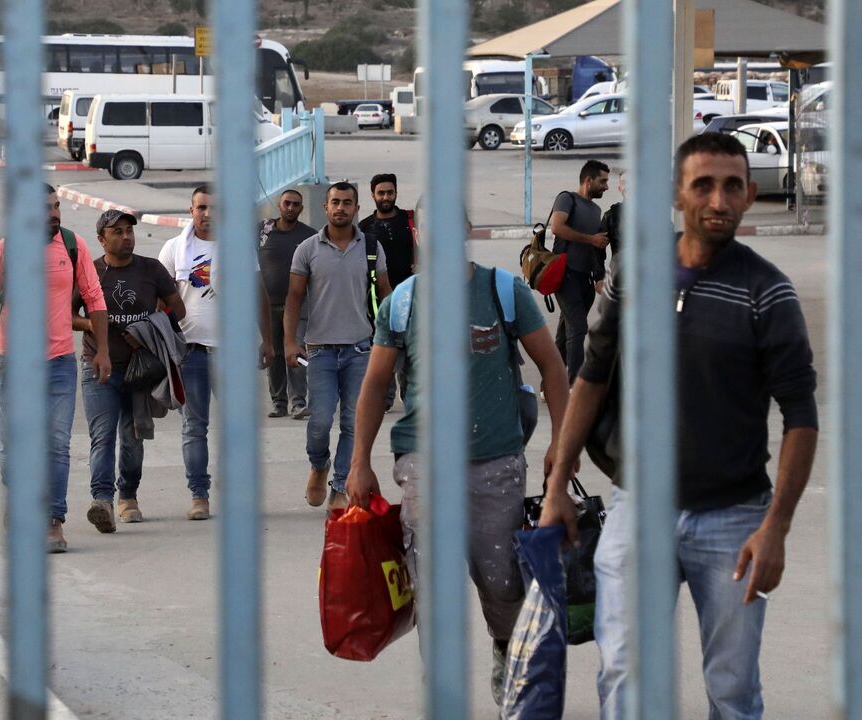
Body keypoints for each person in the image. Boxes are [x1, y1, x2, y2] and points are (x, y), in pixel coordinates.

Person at [540, 133, 819, 719]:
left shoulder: (768, 293)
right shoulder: (634, 276)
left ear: (748, 197)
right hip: (638, 508)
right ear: (677, 193)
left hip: (736, 520)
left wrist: (776, 528)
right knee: (624, 676)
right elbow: (591, 376)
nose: (718, 199)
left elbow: (800, 416)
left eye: (733, 186)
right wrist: (556, 484)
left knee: (733, 691)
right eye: (703, 185)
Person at [347, 214, 570, 706]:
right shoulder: (402, 301)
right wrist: (358, 460)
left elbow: (552, 367)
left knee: (503, 581)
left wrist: (561, 443)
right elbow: (376, 384)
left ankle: (505, 650)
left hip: (496, 462)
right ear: (418, 233)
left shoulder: (504, 291)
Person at [0, 184, 109, 551]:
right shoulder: (6, 251)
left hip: (59, 363)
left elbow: (95, 299)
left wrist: (102, 351)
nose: (53, 213)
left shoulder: (73, 246)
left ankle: (53, 521)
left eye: (56, 206)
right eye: (44, 207)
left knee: (56, 444)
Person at [158, 185, 274, 521]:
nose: (208, 214)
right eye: (201, 207)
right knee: (194, 427)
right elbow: (159, 301)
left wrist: (267, 340)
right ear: (191, 210)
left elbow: (258, 293)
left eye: (214, 208)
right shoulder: (173, 249)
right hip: (189, 353)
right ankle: (199, 494)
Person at [73, 209, 184, 531]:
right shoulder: (89, 272)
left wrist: (149, 329)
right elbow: (67, 315)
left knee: (134, 436)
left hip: (141, 370)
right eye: (117, 232)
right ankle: (102, 501)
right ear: (101, 239)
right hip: (98, 369)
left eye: (129, 231)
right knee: (102, 436)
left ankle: (128, 496)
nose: (126, 237)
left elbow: (177, 308)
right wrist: (94, 325)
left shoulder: (151, 269)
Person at [285, 181, 392, 510]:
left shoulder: (371, 246)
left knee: (352, 422)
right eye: (335, 202)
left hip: (360, 349)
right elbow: (293, 297)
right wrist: (290, 341)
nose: (341, 207)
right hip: (319, 350)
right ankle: (319, 465)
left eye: (347, 202)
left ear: (357, 208)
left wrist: (392, 337)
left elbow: (386, 294)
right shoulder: (307, 249)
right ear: (325, 207)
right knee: (319, 422)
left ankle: (340, 484)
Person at [359, 173, 417, 409]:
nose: (386, 197)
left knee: (410, 347)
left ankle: (408, 389)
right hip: (378, 299)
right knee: (384, 346)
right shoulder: (365, 228)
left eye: (390, 192)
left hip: (412, 295)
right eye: (381, 193)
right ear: (372, 195)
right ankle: (386, 395)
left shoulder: (410, 220)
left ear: (396, 193)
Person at [549, 160, 610, 383]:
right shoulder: (567, 198)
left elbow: (596, 250)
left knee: (567, 332)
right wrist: (590, 239)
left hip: (585, 279)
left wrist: (598, 276)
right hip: (566, 274)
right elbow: (557, 227)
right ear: (588, 180)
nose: (606, 186)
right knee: (579, 328)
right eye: (602, 181)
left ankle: (551, 383)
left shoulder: (596, 210)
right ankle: (574, 384)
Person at [259, 189, 315, 419]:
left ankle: (298, 402)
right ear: (279, 206)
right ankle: (278, 402)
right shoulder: (263, 231)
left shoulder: (310, 236)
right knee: (274, 354)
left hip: (297, 307)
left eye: (296, 204)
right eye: (287, 203)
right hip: (268, 306)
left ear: (301, 209)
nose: (291, 208)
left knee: (296, 351)